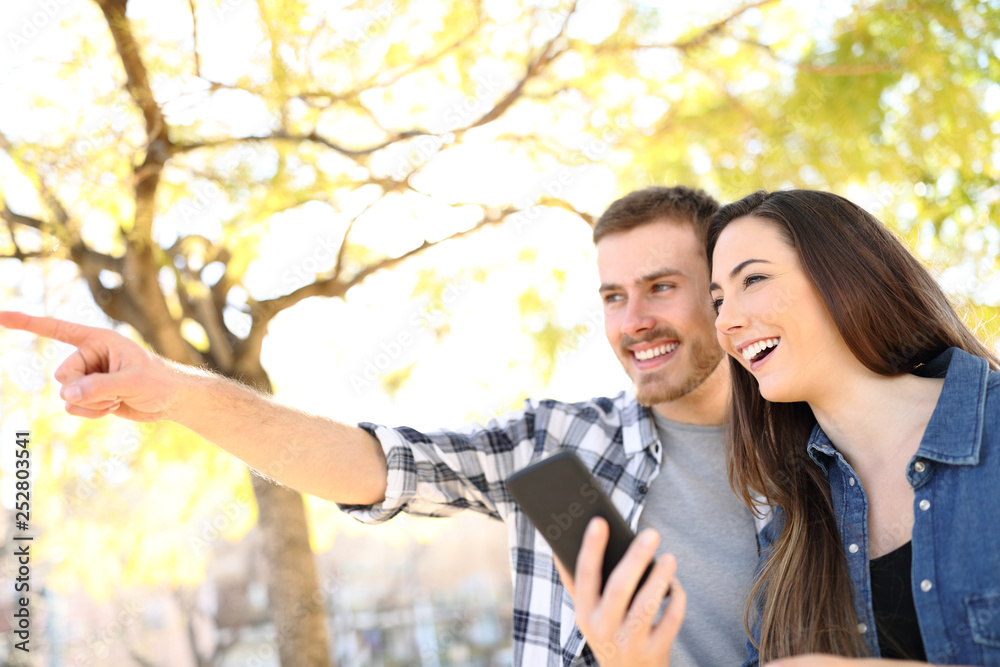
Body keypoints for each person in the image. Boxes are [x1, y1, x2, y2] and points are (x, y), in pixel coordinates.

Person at [1, 185, 761, 667]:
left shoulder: (823, 444)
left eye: (662, 287)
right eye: (613, 296)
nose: (635, 322)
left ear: (721, 292)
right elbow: (377, 464)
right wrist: (176, 392)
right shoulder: (563, 447)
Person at [707, 189, 1000, 667]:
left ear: (843, 275)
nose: (727, 322)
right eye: (717, 301)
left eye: (754, 279)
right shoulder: (788, 527)